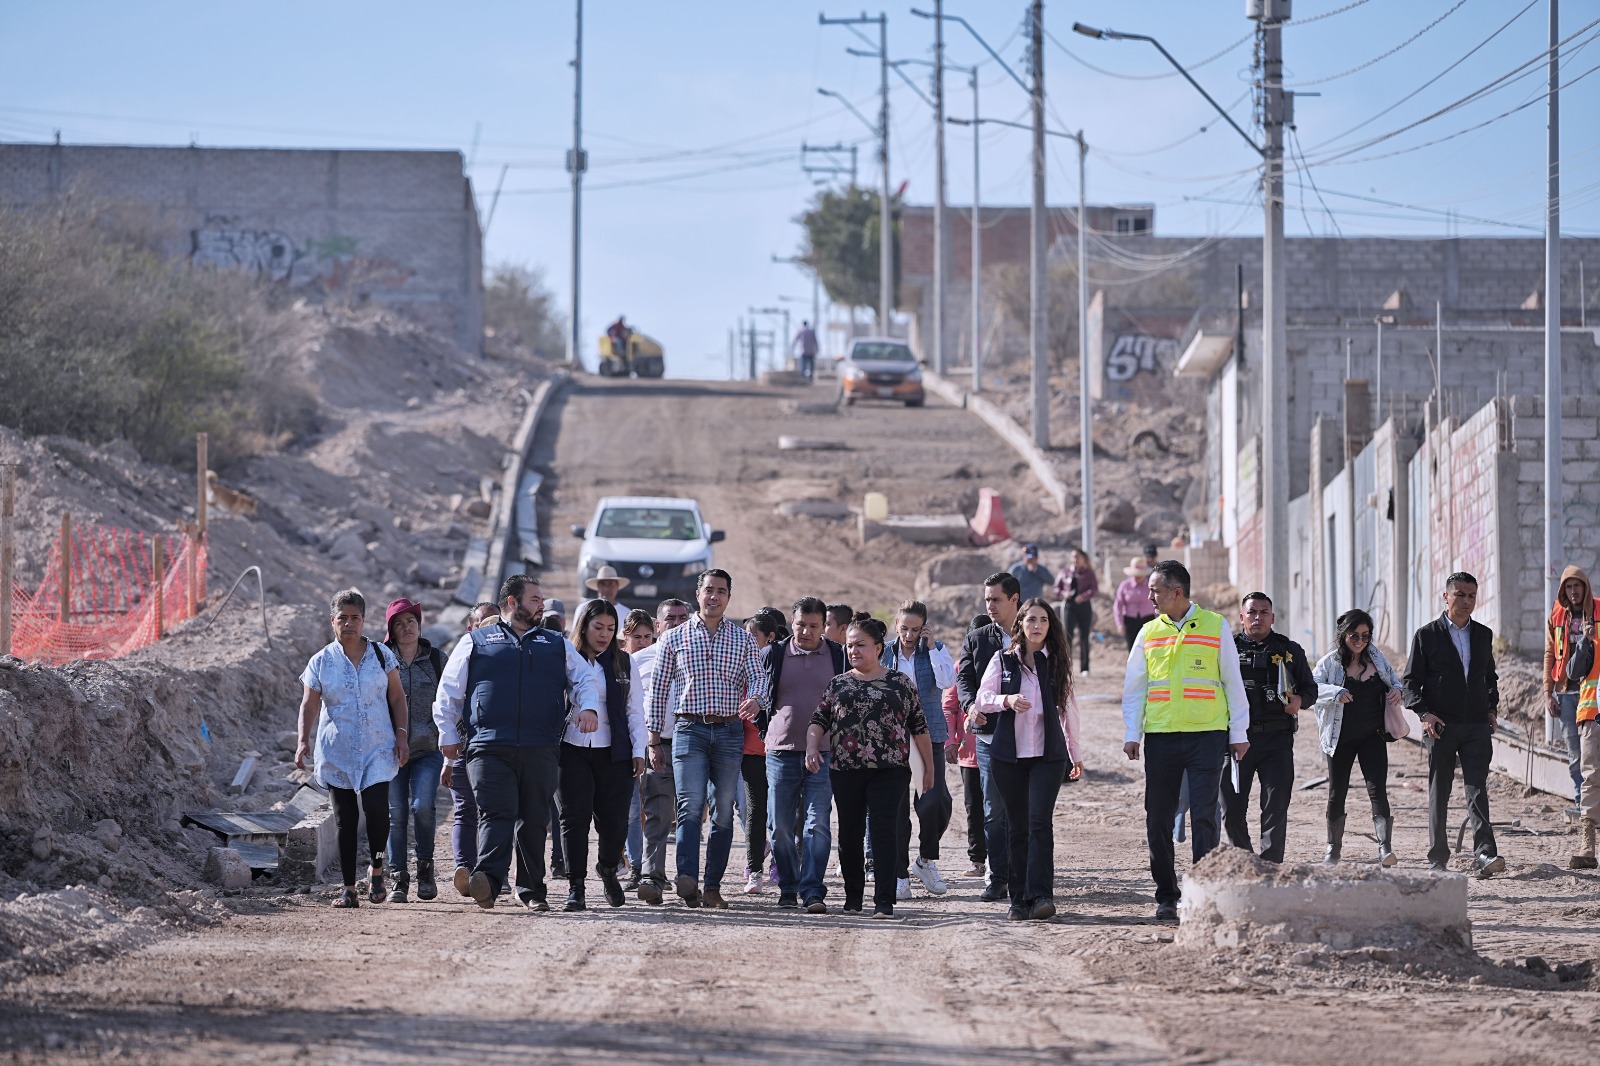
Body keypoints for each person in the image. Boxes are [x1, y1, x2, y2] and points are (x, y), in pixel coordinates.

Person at [433, 574, 602, 910]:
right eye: (535, 599)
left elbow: (584, 679)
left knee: (534, 818)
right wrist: (448, 734)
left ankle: (531, 891)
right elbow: (449, 691)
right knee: (497, 812)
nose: (542, 605)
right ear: (513, 602)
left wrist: (589, 707)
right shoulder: (476, 642)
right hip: (488, 745)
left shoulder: (555, 644)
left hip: (540, 746)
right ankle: (489, 882)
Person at [1121, 560, 1249, 921]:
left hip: (1208, 735)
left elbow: (1232, 682)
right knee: (1157, 818)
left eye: (1155, 590)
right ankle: (1166, 894)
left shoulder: (1215, 625)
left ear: (1177, 592)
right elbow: (1135, 688)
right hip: (1161, 737)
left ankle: (1202, 891)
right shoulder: (1147, 633)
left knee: (1205, 816)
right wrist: (1133, 733)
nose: (1150, 596)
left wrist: (1238, 733)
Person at [646, 570, 769, 909]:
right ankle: (687, 878)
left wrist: (757, 699)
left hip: (729, 732)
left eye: (721, 591)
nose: (714, 596)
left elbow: (760, 679)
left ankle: (712, 886)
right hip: (689, 730)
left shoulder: (743, 640)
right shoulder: (674, 638)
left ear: (729, 597)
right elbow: (657, 691)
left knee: (723, 813)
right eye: (709, 590)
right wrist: (654, 740)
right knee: (689, 807)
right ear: (697, 594)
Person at [807, 616, 934, 918]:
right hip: (845, 770)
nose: (853, 650)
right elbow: (818, 721)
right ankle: (853, 900)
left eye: (860, 645)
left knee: (883, 832)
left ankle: (884, 901)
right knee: (849, 835)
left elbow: (919, 727)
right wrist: (812, 746)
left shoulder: (899, 683)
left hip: (890, 771)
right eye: (850, 645)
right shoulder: (838, 684)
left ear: (878, 647)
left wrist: (928, 769)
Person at [295, 589, 409, 908]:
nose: (349, 623)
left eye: (355, 617)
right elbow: (309, 705)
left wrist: (402, 735)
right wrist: (302, 739)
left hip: (378, 746)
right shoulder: (320, 662)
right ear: (332, 621)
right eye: (342, 618)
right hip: (337, 751)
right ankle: (348, 888)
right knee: (344, 819)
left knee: (375, 812)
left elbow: (397, 697)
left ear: (363, 620)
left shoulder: (382, 655)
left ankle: (376, 868)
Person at [975, 598, 1082, 920]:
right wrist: (1007, 700)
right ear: (1021, 623)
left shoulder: (1058, 661)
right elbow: (983, 699)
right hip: (1009, 757)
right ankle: (1018, 899)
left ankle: (1041, 896)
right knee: (1017, 827)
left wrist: (1075, 754)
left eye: (1044, 620)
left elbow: (1069, 709)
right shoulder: (1003, 660)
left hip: (1047, 757)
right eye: (1031, 619)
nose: (1037, 625)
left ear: (1051, 626)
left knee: (1039, 824)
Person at [1403, 571, 1505, 877]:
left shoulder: (1483, 635)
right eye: (1459, 594)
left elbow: (1489, 677)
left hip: (1476, 726)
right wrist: (1424, 714)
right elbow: (1410, 684)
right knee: (1440, 791)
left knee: (1477, 790)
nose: (1466, 601)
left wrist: (1491, 709)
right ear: (1445, 596)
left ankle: (1485, 854)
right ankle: (1438, 857)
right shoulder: (1427, 635)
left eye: (1471, 595)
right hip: (1441, 727)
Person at [556, 599, 647, 911]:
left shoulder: (624, 662)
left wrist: (639, 750)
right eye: (598, 627)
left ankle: (608, 868)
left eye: (611, 628)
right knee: (574, 818)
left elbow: (635, 709)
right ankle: (575, 886)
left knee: (615, 822)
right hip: (571, 749)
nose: (604, 634)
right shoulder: (567, 659)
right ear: (584, 627)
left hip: (615, 750)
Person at [763, 596, 846, 911]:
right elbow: (760, 691)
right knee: (780, 826)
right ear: (791, 624)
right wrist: (764, 729)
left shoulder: (838, 657)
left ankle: (813, 890)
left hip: (825, 755)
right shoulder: (775, 653)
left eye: (814, 626)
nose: (806, 632)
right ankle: (788, 886)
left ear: (824, 626)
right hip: (781, 752)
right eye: (801, 625)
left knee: (817, 824)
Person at [1221, 593, 1317, 865]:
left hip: (1277, 739)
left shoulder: (1289, 651)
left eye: (1264, 612)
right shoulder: (1225, 649)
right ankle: (1246, 863)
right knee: (1232, 807)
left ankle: (1272, 865)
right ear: (1241, 617)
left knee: (1275, 807)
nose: (1257, 617)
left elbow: (1311, 689)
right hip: (1236, 740)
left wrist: (1299, 701)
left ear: (1272, 618)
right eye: (1252, 612)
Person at [1312, 608, 1404, 866]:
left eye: (1366, 636)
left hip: (1372, 736)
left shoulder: (1377, 658)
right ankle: (1333, 848)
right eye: (1355, 635)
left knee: (1378, 791)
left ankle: (1385, 848)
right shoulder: (1329, 663)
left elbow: (1395, 682)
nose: (1361, 641)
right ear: (1343, 635)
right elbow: (1310, 688)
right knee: (1336, 791)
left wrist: (1397, 691)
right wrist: (1335, 692)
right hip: (1339, 738)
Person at [881, 600, 956, 899]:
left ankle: (925, 860)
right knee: (898, 809)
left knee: (936, 802)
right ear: (896, 624)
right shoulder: (884, 651)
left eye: (915, 629)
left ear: (924, 626)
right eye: (904, 628)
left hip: (930, 733)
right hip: (892, 737)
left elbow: (947, 681)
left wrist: (933, 646)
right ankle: (899, 874)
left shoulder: (936, 649)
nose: (909, 635)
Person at [956, 573, 1023, 903]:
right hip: (989, 738)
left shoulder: (1036, 633)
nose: (990, 606)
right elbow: (964, 680)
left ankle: (1027, 878)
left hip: (1029, 736)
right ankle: (997, 878)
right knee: (994, 811)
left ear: (1014, 599)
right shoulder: (978, 638)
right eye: (987, 600)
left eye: (996, 599)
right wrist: (970, 708)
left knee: (1026, 812)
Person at [381, 597, 446, 903]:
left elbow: (451, 701)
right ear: (391, 630)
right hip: (390, 752)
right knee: (395, 814)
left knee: (422, 807)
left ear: (420, 626)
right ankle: (398, 878)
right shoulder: (380, 660)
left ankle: (425, 868)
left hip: (427, 750)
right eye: (399, 623)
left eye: (411, 622)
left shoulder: (436, 661)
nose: (406, 628)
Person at [632, 598, 692, 903]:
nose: (677, 622)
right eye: (670, 618)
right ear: (658, 626)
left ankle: (687, 877)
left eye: (683, 617)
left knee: (691, 815)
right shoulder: (640, 659)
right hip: (658, 745)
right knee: (656, 813)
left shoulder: (700, 656)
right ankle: (651, 876)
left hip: (696, 743)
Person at [447, 601, 500, 897]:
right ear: (471, 628)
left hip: (496, 747)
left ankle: (492, 872)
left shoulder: (509, 657)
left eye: (496, 622)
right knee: (465, 809)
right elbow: (448, 704)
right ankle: (464, 870)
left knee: (494, 810)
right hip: (463, 746)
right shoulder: (460, 657)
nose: (490, 629)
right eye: (483, 623)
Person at [1544, 566, 1594, 812]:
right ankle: (1580, 800)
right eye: (1569, 587)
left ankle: (1591, 802)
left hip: (1593, 695)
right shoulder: (1557, 615)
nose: (1574, 591)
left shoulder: (1597, 610)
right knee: (1574, 753)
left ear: (1585, 587)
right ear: (1563, 590)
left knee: (1592, 753)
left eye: (1578, 586)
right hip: (1566, 695)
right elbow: (1550, 654)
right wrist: (1547, 693)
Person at [947, 613, 990, 878]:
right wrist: (951, 741)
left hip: (1002, 750)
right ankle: (977, 859)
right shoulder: (959, 668)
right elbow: (949, 706)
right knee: (974, 808)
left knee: (1000, 808)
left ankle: (1002, 858)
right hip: (970, 754)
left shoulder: (1007, 663)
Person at [740, 613, 779, 893]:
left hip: (781, 751)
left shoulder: (781, 665)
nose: (748, 640)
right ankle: (755, 871)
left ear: (770, 638)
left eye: (753, 635)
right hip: (750, 751)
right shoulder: (739, 666)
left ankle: (782, 864)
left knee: (782, 814)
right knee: (755, 811)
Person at [619, 609, 658, 889]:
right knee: (632, 809)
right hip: (624, 744)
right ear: (625, 637)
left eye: (648, 637)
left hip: (652, 741)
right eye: (637, 637)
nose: (643, 642)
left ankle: (651, 868)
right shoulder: (617, 665)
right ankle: (635, 865)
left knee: (654, 807)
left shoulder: (657, 661)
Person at [1053, 549, 1098, 677]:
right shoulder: (1065, 572)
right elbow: (1056, 588)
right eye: (1073, 557)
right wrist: (1063, 594)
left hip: (1084, 606)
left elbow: (1094, 589)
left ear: (1083, 559)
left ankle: (1085, 667)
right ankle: (1066, 666)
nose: (1075, 560)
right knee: (1067, 636)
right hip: (1069, 606)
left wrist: (1083, 596)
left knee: (1084, 636)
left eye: (1078, 557)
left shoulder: (1089, 573)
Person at [1113, 557, 1154, 651]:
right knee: (1132, 649)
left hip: (1148, 621)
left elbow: (1158, 604)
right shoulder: (1125, 586)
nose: (1138, 576)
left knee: (1148, 650)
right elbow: (1118, 605)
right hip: (1130, 621)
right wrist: (1120, 623)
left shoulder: (1151, 586)